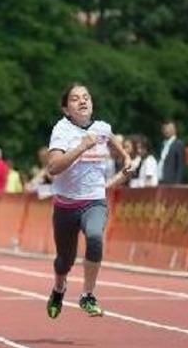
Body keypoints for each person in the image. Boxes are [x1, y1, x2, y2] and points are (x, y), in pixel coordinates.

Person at [45, 83, 131, 319]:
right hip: (66, 205)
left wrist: (127, 159)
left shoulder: (102, 128)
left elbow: (114, 143)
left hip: (94, 201)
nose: (82, 101)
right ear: (66, 109)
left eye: (86, 97)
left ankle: (87, 295)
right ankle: (59, 288)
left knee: (94, 237)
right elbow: (53, 168)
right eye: (75, 99)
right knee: (65, 261)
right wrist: (82, 147)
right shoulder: (61, 130)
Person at [158, 120, 186, 184]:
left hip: (171, 182)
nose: (167, 130)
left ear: (175, 130)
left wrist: (177, 184)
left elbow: (181, 166)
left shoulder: (178, 144)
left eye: (169, 128)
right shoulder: (163, 144)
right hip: (161, 180)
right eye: (164, 128)